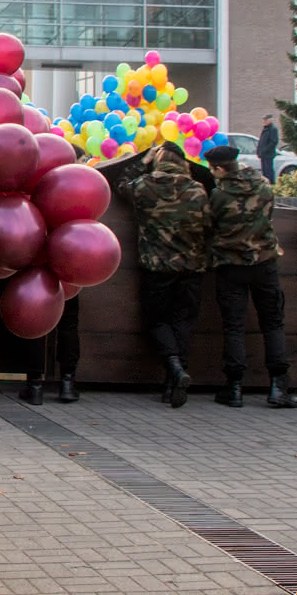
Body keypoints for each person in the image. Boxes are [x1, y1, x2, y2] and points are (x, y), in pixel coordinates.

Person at [203, 145, 297, 409]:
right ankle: (279, 386)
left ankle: (234, 388)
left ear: (220, 168)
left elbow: (208, 226)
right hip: (265, 263)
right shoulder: (264, 187)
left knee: (234, 326)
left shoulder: (219, 195)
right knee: (273, 323)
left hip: (230, 266)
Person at [117, 141, 211, 407]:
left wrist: (141, 162)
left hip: (157, 267)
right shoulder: (197, 190)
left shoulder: (145, 186)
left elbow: (122, 184)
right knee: (183, 323)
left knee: (157, 320)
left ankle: (175, 369)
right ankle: (173, 382)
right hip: (192, 268)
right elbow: (207, 224)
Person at [17, 295, 80, 405]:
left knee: (36, 324)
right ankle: (67, 384)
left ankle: (35, 386)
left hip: (37, 279)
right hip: (67, 281)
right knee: (69, 323)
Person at [256, 114, 280, 182]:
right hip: (263, 155)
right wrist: (258, 151)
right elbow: (261, 141)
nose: (264, 121)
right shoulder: (265, 129)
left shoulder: (273, 129)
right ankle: (265, 184)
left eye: (266, 119)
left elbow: (273, 142)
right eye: (264, 120)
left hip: (268, 154)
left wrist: (264, 150)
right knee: (264, 172)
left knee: (268, 171)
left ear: (270, 120)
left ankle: (270, 184)